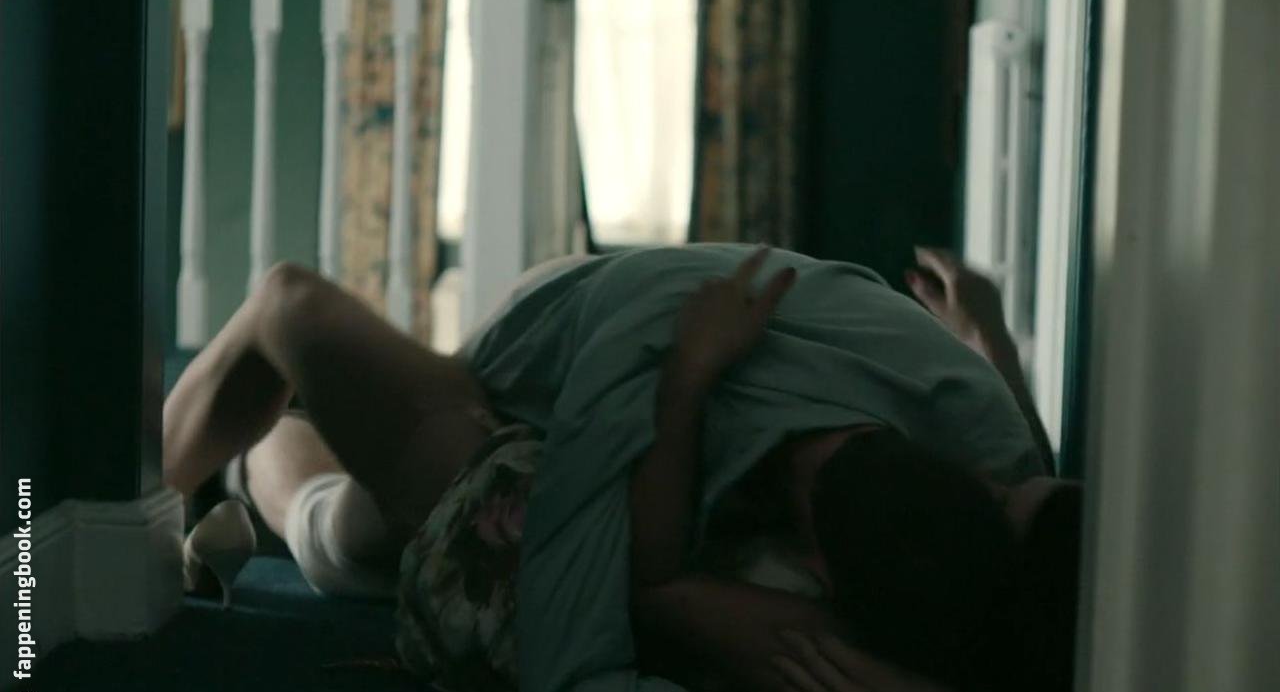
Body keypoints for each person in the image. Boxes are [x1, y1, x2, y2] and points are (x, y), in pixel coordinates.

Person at [164, 245, 1081, 692]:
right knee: (347, 511)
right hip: (554, 347)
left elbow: (644, 595)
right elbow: (1027, 468)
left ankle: (227, 478)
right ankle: (219, 482)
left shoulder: (844, 625)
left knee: (346, 532)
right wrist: (987, 332)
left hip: (568, 431)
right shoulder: (994, 460)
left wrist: (686, 377)